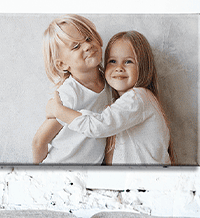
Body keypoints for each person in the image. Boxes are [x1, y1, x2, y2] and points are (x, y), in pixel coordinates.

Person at [45, 31, 173, 165]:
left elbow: (97, 126)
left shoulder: (138, 97)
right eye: (112, 61)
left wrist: (58, 110)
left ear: (143, 66)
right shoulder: (120, 103)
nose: (119, 68)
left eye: (128, 62)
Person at [32, 14, 112, 164]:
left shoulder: (110, 84)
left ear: (99, 40)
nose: (87, 46)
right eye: (76, 46)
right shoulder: (69, 94)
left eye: (88, 38)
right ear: (62, 64)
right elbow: (38, 142)